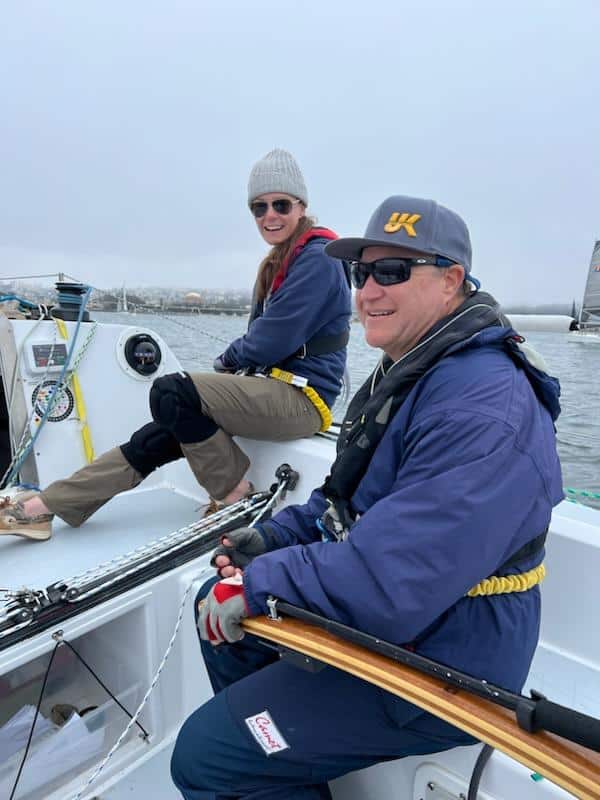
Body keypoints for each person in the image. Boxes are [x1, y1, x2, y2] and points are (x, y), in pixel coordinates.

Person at [170, 195, 563, 800]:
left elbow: (393, 581)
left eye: (392, 272)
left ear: (451, 281)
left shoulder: (484, 408)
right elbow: (347, 499)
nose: (368, 292)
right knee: (214, 609)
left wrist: (261, 580)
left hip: (449, 661)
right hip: (409, 621)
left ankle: (258, 745)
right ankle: (276, 752)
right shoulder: (416, 370)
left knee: (204, 756)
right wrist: (275, 537)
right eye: (362, 273)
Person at [0, 149, 351, 541]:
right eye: (259, 207)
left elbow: (271, 340)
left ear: (301, 205)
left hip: (301, 399)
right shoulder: (283, 258)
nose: (269, 215)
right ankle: (44, 507)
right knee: (156, 438)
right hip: (271, 389)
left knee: (172, 392)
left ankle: (235, 494)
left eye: (281, 204)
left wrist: (226, 359)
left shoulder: (318, 259)